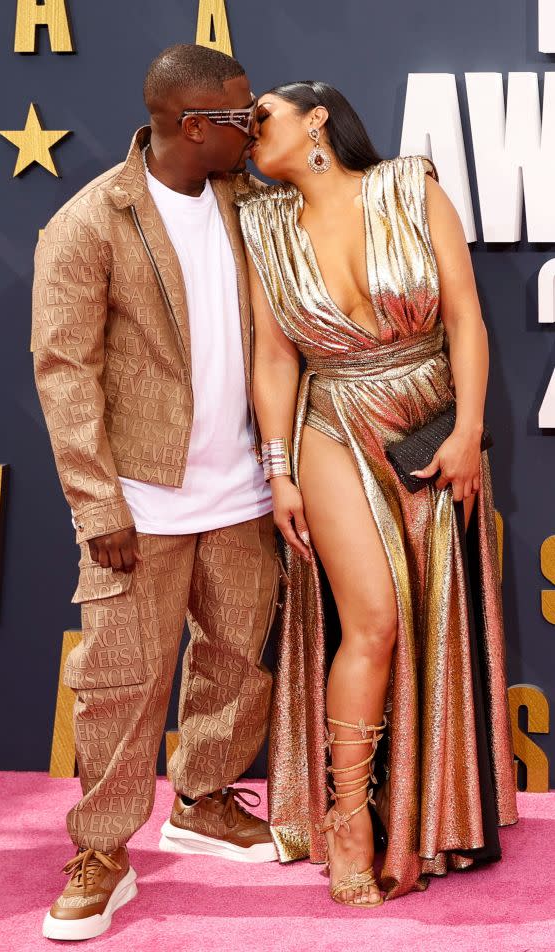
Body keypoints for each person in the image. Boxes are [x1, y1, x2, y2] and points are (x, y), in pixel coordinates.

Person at [236, 80, 518, 907]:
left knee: (430, 612)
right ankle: (349, 816)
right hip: (333, 419)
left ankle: (429, 808)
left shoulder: (410, 185)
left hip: (431, 418)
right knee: (374, 618)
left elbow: (464, 315)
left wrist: (467, 431)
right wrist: (278, 468)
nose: (250, 131)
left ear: (317, 116)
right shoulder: (263, 224)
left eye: (264, 116)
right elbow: (276, 358)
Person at [32, 44, 281, 942]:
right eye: (243, 115)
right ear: (193, 125)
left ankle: (205, 799)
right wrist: (98, 509)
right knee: (120, 686)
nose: (257, 126)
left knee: (235, 662)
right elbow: (65, 375)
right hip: (142, 504)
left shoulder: (250, 203)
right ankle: (102, 852)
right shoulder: (90, 221)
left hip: (246, 491)